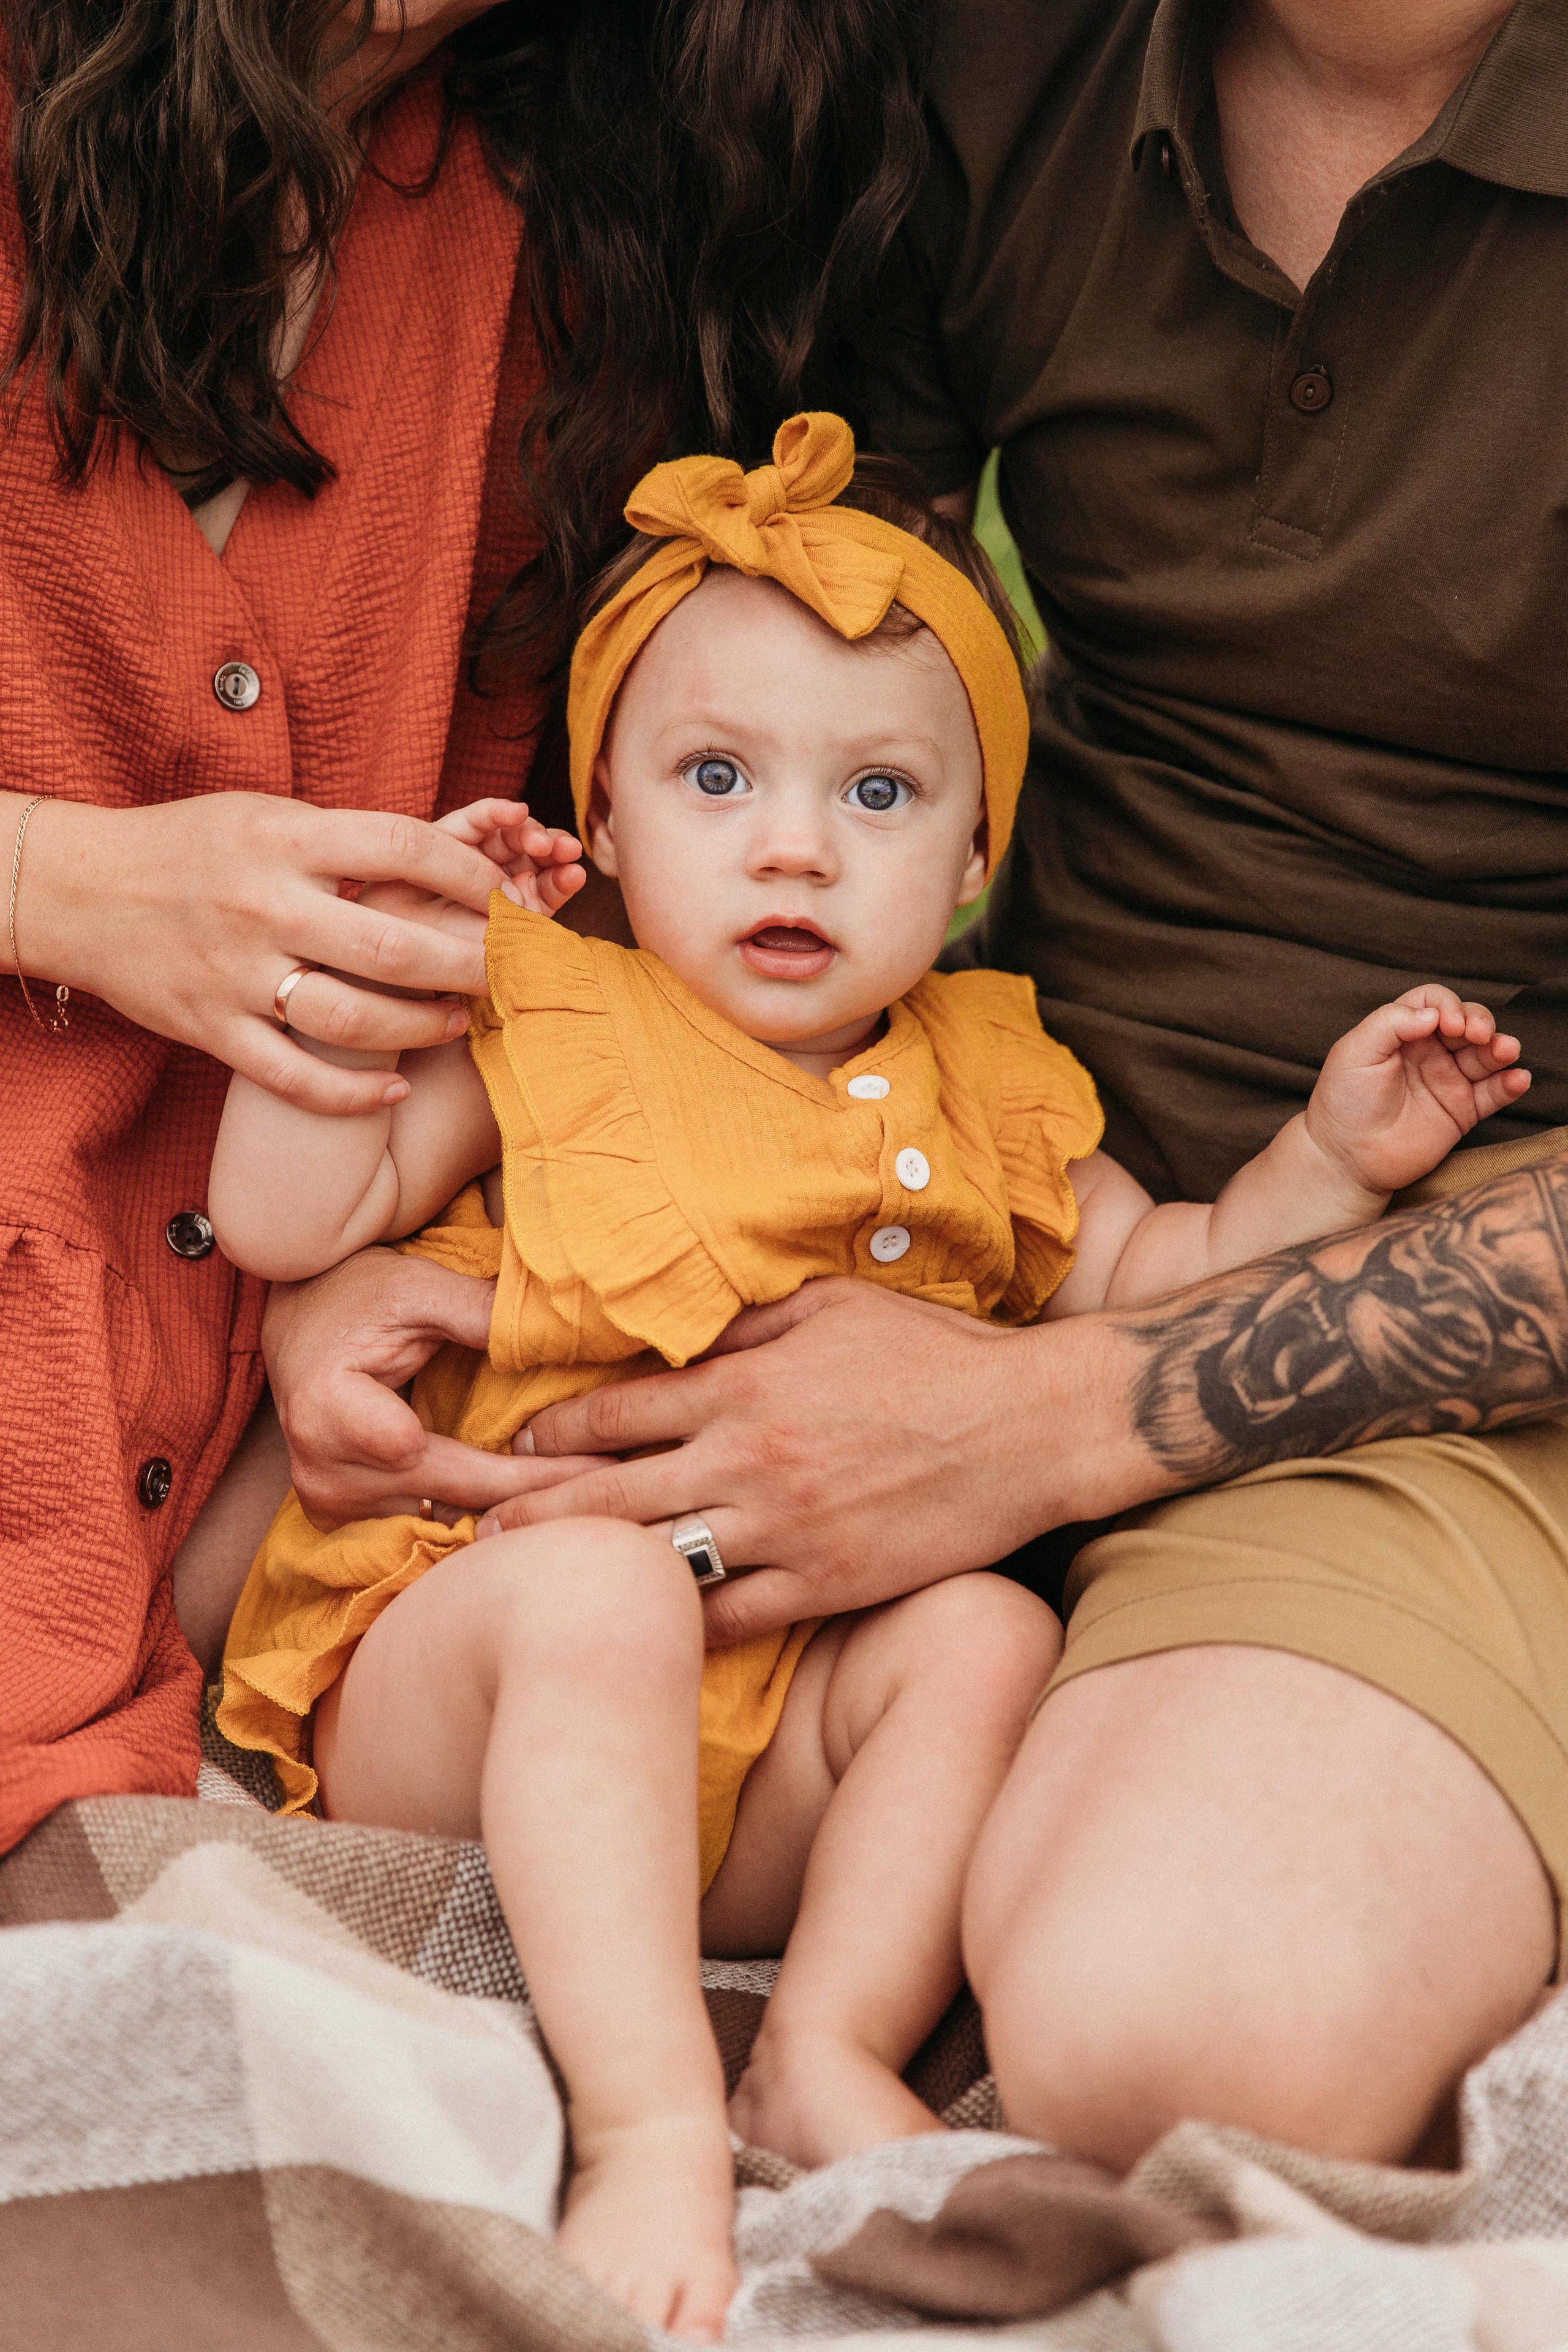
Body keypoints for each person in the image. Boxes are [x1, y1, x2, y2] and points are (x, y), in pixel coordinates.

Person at [262, 0, 1568, 2174]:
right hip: (933, 1223)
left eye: (876, 806)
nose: (795, 841)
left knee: (1184, 2028)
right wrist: (377, 1251)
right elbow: (792, 648)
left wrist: (1040, 1420)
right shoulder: (983, 55)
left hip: (1437, 1270)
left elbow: (1146, 1271)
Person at [0, 0, 928, 1852]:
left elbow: (662, 885)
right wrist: (58, 883)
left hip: (279, 1491)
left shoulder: (592, 226)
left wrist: (410, 1261)